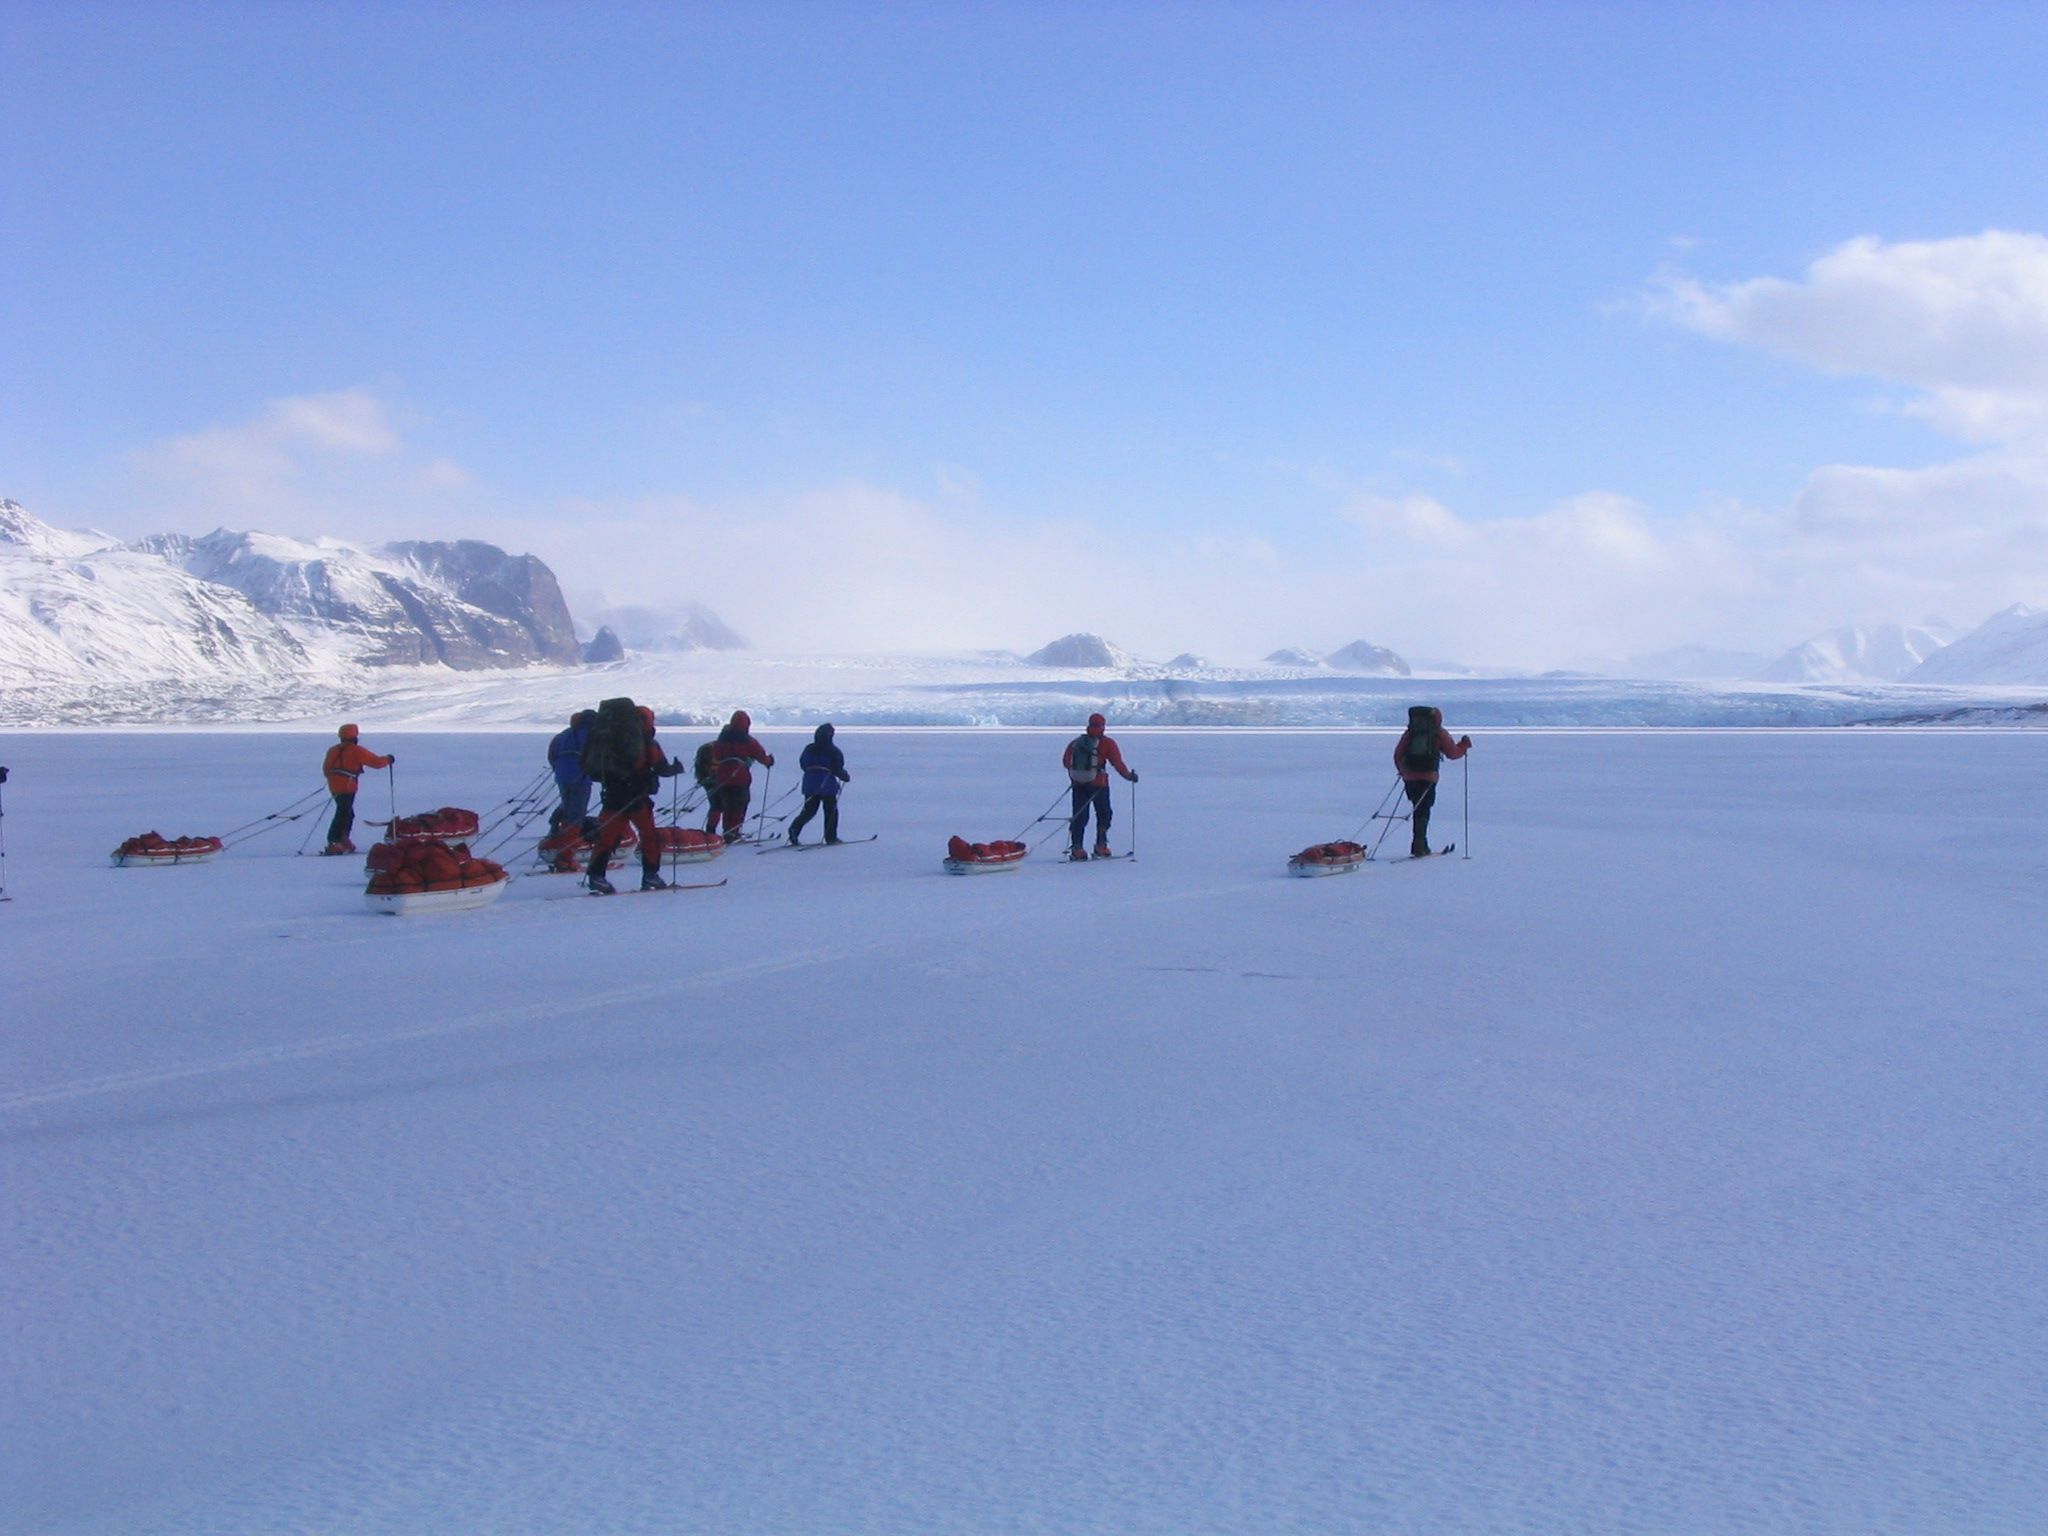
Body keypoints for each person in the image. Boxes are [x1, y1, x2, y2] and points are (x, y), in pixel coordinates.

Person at [587, 706, 689, 894]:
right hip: (637, 797)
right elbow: (661, 768)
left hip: (613, 795)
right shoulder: (645, 742)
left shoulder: (609, 741)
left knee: (606, 838)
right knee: (649, 835)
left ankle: (597, 877)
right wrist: (675, 768)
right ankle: (651, 875)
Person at [1393, 705, 1471, 857]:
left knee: (1418, 808)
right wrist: (1464, 745)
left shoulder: (1410, 733)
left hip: (1409, 777)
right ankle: (1419, 846)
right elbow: (1453, 753)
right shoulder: (1438, 733)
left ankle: (1420, 845)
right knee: (1423, 810)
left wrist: (1403, 771)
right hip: (1428, 777)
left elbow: (1397, 755)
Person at [1061, 712, 1137, 860]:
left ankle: (1077, 848)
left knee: (1079, 815)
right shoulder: (1108, 743)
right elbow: (1117, 763)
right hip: (1099, 785)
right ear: (1103, 726)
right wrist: (1129, 776)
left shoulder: (1076, 742)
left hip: (1078, 783)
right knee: (1104, 814)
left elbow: (1066, 762)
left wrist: (1079, 772)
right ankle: (1101, 846)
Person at [702, 710, 774, 844]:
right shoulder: (748, 741)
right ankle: (733, 832)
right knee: (740, 804)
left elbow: (717, 755)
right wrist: (769, 761)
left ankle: (727, 831)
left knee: (727, 805)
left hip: (722, 777)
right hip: (740, 777)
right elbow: (761, 756)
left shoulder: (722, 740)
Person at [321, 724, 393, 855]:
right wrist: (388, 759)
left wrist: (334, 780)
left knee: (345, 812)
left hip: (334, 785)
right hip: (347, 786)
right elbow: (375, 762)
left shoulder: (333, 750)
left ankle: (342, 840)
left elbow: (326, 769)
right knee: (344, 813)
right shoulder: (356, 750)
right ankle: (336, 842)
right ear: (354, 737)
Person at [786, 723, 851, 846]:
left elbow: (803, 764)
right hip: (827, 784)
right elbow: (837, 768)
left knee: (809, 811)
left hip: (810, 783)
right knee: (830, 811)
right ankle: (831, 838)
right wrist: (845, 776)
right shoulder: (834, 751)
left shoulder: (809, 749)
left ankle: (794, 829)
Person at [546, 710, 598, 837]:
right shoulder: (592, 736)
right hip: (581, 778)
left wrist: (558, 769)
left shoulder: (562, 736)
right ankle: (568, 844)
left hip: (562, 777)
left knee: (567, 803)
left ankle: (557, 829)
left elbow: (551, 755)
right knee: (577, 812)